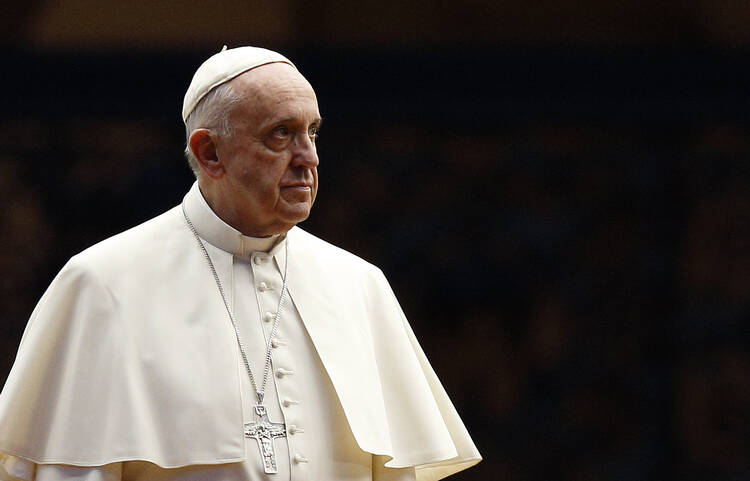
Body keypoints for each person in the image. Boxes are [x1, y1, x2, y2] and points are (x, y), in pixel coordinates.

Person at [0, 46, 481, 481]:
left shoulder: (358, 285)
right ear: (210, 153)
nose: (308, 158)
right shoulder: (103, 284)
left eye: (312, 132)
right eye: (281, 135)